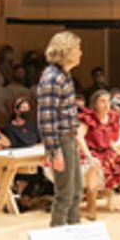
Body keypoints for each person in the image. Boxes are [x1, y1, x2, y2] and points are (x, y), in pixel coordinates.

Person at [37, 31, 83, 227]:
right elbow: (47, 119)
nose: (81, 53)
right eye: (78, 49)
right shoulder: (52, 78)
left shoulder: (64, 75)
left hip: (69, 138)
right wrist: (54, 152)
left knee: (75, 191)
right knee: (64, 193)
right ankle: (57, 236)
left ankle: (74, 231)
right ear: (67, 51)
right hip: (61, 141)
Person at [80, 90, 120, 217]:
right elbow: (79, 138)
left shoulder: (111, 118)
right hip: (90, 152)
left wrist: (117, 151)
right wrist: (89, 156)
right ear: (94, 104)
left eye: (108, 101)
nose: (106, 105)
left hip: (107, 152)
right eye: (102, 101)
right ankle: (91, 209)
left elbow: (108, 140)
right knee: (93, 166)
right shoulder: (88, 118)